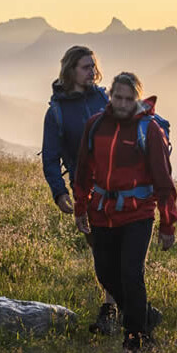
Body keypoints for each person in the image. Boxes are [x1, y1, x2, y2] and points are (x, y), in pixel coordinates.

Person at [73, 72, 177, 353]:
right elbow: (83, 170)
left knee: (131, 273)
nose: (121, 103)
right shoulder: (96, 126)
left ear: (137, 99)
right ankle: (144, 315)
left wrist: (168, 223)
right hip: (101, 213)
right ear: (109, 95)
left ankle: (134, 338)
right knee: (105, 273)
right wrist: (80, 206)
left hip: (137, 214)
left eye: (128, 98)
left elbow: (163, 180)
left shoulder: (149, 130)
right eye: (117, 97)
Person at [40, 46, 119, 333]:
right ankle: (122, 307)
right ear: (71, 70)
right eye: (86, 67)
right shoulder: (57, 112)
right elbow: (50, 156)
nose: (92, 72)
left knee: (122, 249)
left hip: (119, 185)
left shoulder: (103, 98)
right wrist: (59, 192)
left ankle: (114, 308)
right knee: (101, 252)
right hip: (85, 191)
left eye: (93, 66)